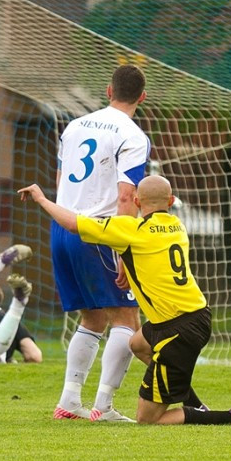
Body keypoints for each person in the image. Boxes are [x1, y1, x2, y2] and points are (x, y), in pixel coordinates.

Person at [19, 176, 231, 425]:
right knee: (138, 343)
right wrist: (126, 262)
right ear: (172, 201)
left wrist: (42, 199)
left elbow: (75, 225)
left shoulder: (131, 229)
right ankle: (194, 403)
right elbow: (150, 255)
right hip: (193, 315)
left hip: (178, 329)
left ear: (137, 201)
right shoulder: (177, 225)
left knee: (147, 419)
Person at [51, 64, 151, 422]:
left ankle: (69, 400)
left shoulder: (74, 126)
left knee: (92, 317)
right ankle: (104, 406)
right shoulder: (133, 135)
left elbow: (62, 177)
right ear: (142, 96)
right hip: (99, 232)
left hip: (63, 227)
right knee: (126, 316)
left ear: (108, 91)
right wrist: (126, 251)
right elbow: (126, 198)